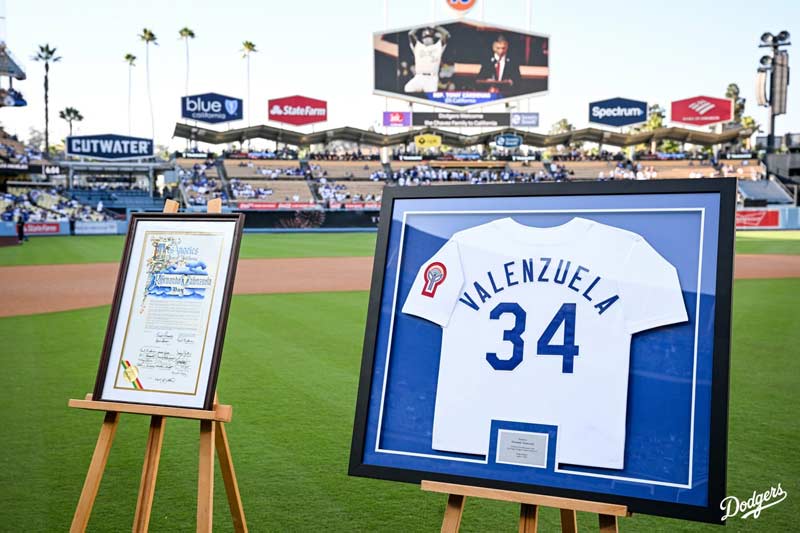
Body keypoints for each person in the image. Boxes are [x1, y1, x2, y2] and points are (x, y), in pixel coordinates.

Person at [404, 26, 450, 93]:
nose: (427, 39)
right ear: (422, 39)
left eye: (429, 37)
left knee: (430, 100)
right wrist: (421, 25)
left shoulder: (437, 47)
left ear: (433, 38)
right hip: (419, 77)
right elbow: (410, 34)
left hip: (431, 79)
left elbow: (445, 34)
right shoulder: (418, 46)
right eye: (425, 37)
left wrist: (435, 27)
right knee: (407, 89)